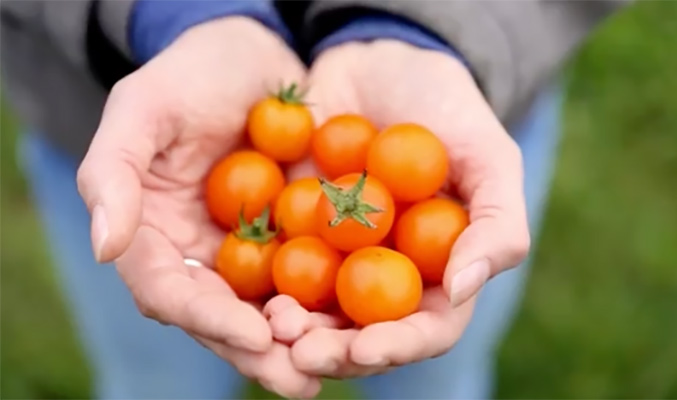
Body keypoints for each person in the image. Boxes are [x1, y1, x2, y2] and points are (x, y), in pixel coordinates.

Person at [1, 1, 630, 399]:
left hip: (480, 86)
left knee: (435, 379)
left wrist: (431, 25)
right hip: (127, 138)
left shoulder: (357, 195)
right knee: (157, 378)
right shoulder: (329, 203)